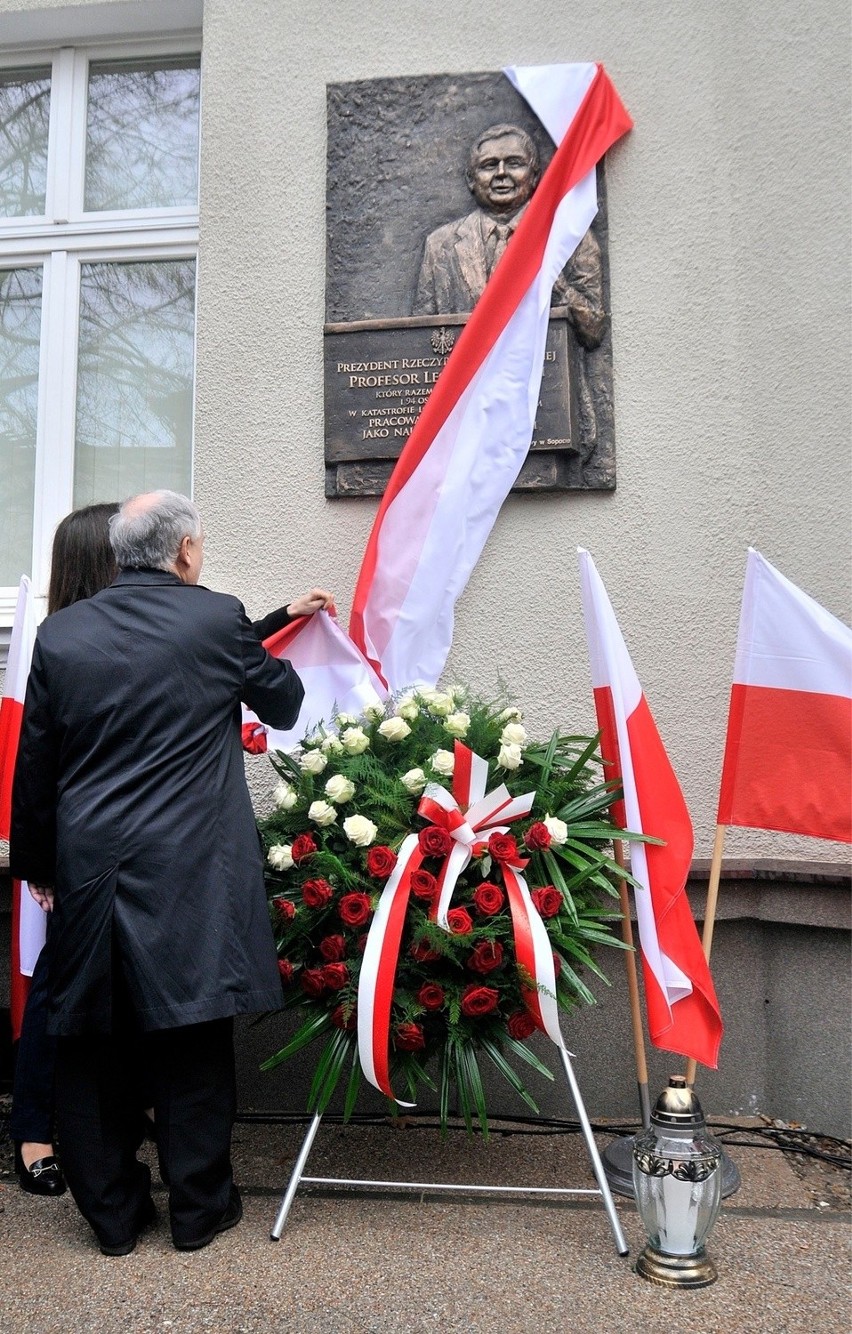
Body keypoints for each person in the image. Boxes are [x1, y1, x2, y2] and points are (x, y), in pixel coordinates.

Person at [10, 490, 307, 1255]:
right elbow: (282, 703)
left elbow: (36, 765)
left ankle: (112, 1217)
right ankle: (199, 1212)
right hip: (193, 869)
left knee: (90, 1041)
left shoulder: (62, 633)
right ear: (182, 553)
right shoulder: (214, 617)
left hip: (91, 869)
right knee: (193, 1038)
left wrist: (37, 865)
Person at [12, 503, 119, 1198]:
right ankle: (33, 1135)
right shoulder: (62, 640)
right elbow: (36, 766)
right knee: (57, 989)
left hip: (121, 850)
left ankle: (97, 1122)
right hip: (76, 855)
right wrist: (40, 865)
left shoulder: (117, 635)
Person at [412, 122, 606, 351]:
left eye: (514, 163)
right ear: (471, 180)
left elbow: (594, 331)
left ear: (534, 176)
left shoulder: (571, 236)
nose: (501, 173)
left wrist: (554, 284)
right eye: (489, 165)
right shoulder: (440, 245)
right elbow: (420, 340)